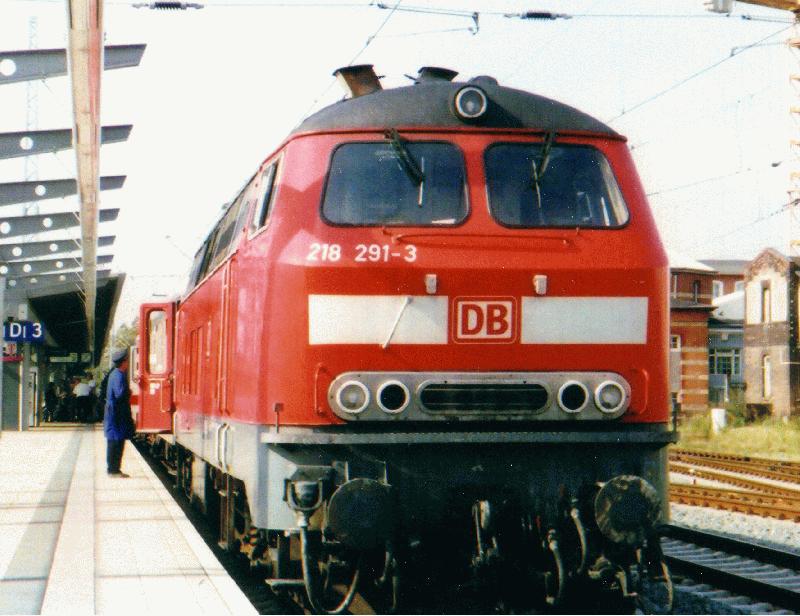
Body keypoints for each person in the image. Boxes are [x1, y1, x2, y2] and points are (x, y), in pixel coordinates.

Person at [104, 348, 134, 477]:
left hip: (116, 412)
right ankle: (113, 470)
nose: (128, 363)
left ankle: (114, 469)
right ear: (124, 362)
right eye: (127, 361)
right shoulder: (118, 375)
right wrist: (130, 392)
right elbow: (119, 393)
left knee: (116, 440)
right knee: (115, 441)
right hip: (116, 412)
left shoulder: (115, 374)